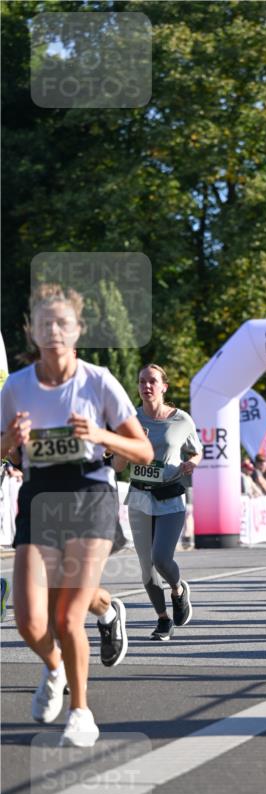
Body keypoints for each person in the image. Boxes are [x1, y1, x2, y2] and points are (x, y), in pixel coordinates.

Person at [0, 283, 152, 746]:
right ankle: (54, 669)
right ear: (32, 331)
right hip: (40, 494)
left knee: (66, 618)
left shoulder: (98, 381)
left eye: (62, 323)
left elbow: (143, 451)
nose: (54, 331)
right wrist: (10, 439)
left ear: (77, 330)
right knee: (28, 620)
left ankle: (81, 712)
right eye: (44, 323)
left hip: (90, 492)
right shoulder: (16, 386)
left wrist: (102, 437)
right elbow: (1, 451)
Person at [114, 364, 202, 640]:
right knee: (146, 567)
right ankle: (163, 619)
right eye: (141, 381)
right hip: (140, 496)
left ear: (164, 387)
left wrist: (191, 463)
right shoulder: (130, 420)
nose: (146, 386)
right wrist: (120, 449)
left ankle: (178, 590)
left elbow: (196, 451)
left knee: (161, 558)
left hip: (170, 496)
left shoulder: (182, 420)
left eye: (152, 381)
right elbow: (117, 466)